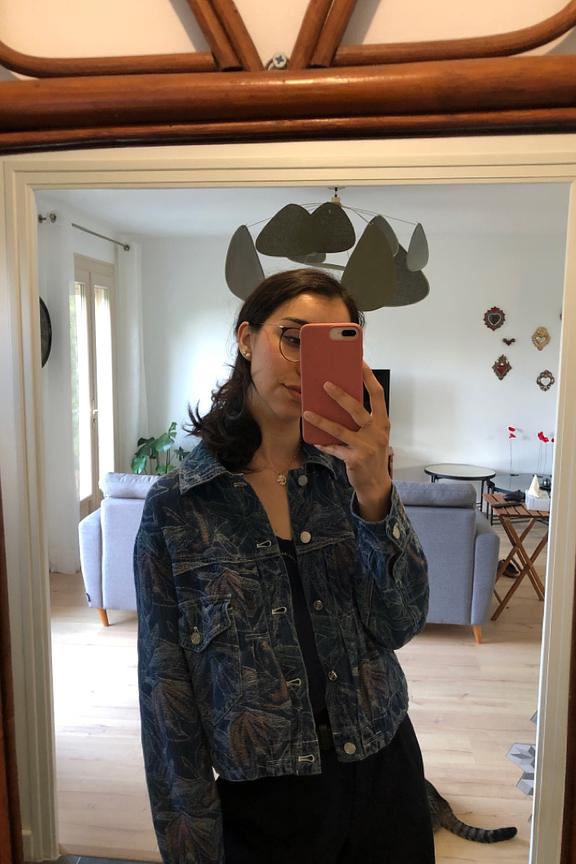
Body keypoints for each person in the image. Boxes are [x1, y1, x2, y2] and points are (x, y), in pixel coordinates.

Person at [134, 268, 435, 864]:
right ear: (247, 338)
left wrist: (375, 491)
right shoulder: (179, 506)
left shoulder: (347, 478)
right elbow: (166, 695)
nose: (305, 363)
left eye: (329, 346)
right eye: (292, 338)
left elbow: (402, 620)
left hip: (385, 769)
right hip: (265, 799)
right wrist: (190, 846)